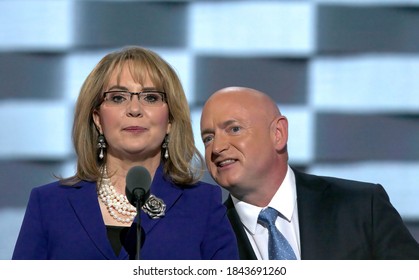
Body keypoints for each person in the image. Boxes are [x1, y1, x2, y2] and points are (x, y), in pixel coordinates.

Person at [12, 46, 239, 260]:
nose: (134, 109)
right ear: (98, 119)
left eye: (150, 97)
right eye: (118, 97)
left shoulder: (203, 203)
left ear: (170, 119)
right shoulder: (49, 203)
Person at [200, 86, 419, 260]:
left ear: (278, 134)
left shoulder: (362, 206)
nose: (217, 148)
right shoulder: (204, 237)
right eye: (208, 138)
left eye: (234, 129)